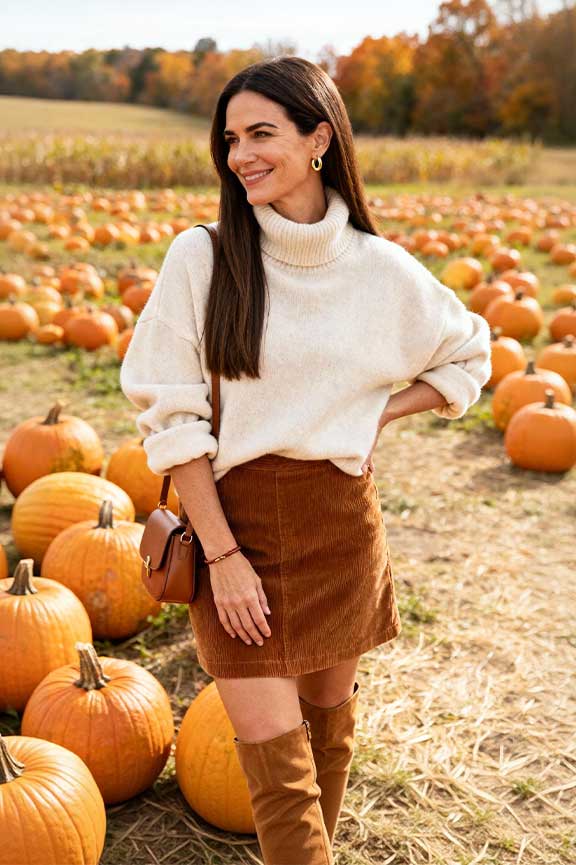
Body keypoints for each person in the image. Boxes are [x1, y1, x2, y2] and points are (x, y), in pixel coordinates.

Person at [120, 55, 492, 865]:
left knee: (328, 734)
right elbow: (173, 417)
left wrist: (374, 411)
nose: (241, 154)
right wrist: (223, 555)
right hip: (235, 523)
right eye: (231, 138)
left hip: (340, 527)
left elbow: (470, 354)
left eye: (263, 133)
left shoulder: (379, 270)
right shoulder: (205, 257)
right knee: (278, 779)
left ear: (319, 137)